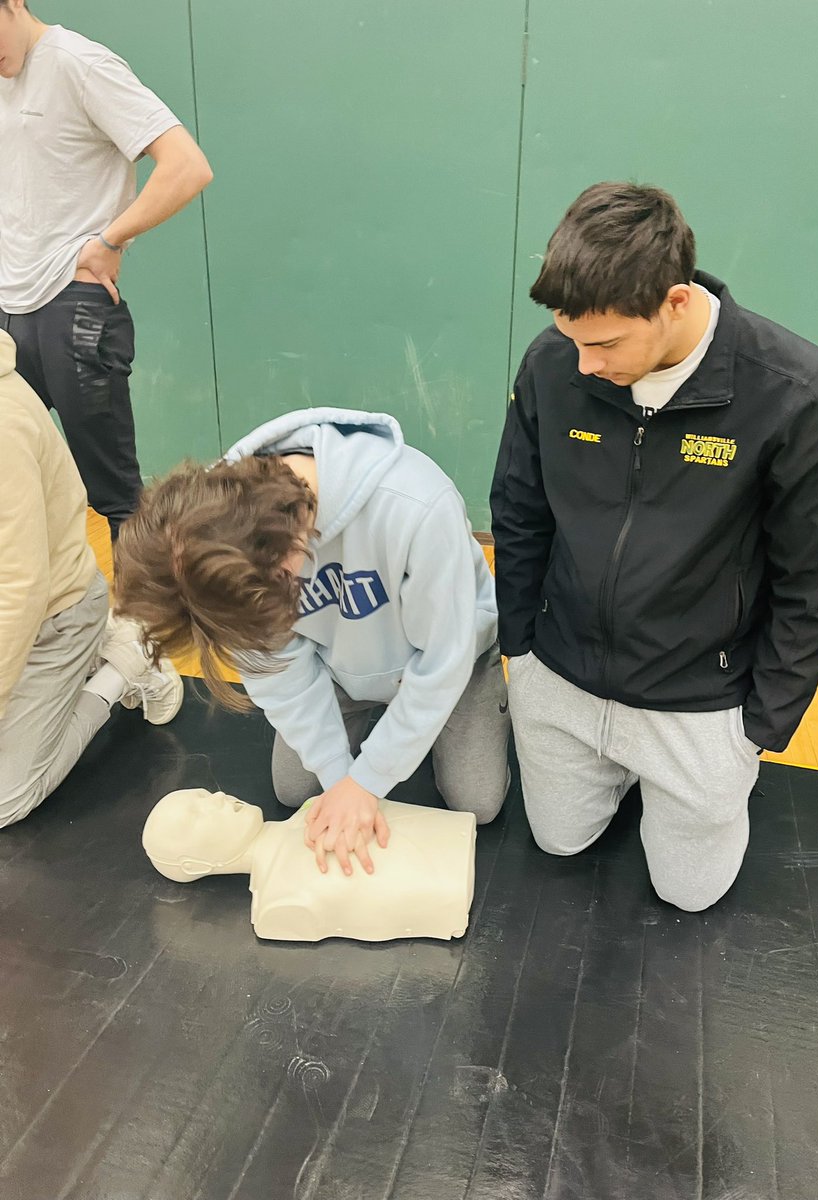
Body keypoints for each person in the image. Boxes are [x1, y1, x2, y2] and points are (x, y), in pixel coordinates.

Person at [491, 182, 818, 912]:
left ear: (676, 302)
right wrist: (520, 647)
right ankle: (607, 764)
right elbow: (519, 508)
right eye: (573, 340)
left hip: (698, 699)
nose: (585, 365)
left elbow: (813, 582)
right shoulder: (554, 362)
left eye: (604, 344)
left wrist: (758, 729)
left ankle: (675, 779)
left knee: (688, 894)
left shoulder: (802, 397)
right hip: (562, 670)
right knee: (558, 842)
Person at [114, 409, 510, 875]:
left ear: (284, 554)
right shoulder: (218, 550)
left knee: (477, 803)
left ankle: (483, 709)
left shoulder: (415, 504)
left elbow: (444, 659)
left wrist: (368, 783)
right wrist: (342, 779)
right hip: (340, 666)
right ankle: (380, 731)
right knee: (296, 791)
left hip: (448, 663)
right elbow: (279, 675)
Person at [0, 0, 213, 538]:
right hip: (8, 309)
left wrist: (111, 239)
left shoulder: (80, 63)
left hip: (73, 308)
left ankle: (145, 622)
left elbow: (187, 166)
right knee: (16, 492)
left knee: (116, 495)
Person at [0, 329, 183, 830]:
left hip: (53, 615)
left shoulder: (5, 424)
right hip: (19, 615)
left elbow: (21, 586)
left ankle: (125, 658)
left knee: (4, 800)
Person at [142, 789, 477, 942]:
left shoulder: (313, 806)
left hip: (456, 837)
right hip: (448, 890)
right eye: (195, 815)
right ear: (193, 864)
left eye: (203, 794)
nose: (217, 798)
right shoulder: (278, 903)